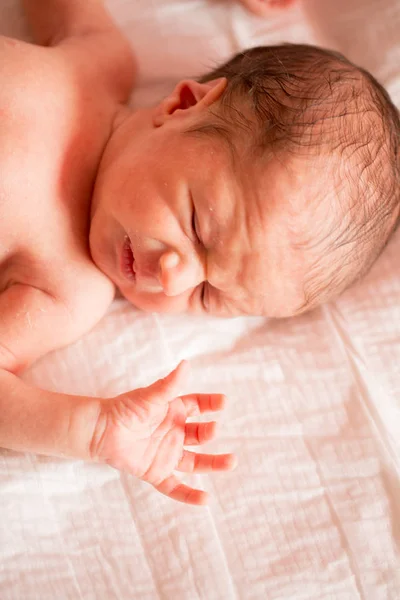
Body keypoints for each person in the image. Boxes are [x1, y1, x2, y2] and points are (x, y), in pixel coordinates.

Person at [0, 1, 399, 503]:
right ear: (183, 104)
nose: (171, 275)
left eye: (207, 295)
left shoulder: (67, 288)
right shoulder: (100, 62)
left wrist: (93, 431)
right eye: (197, 227)